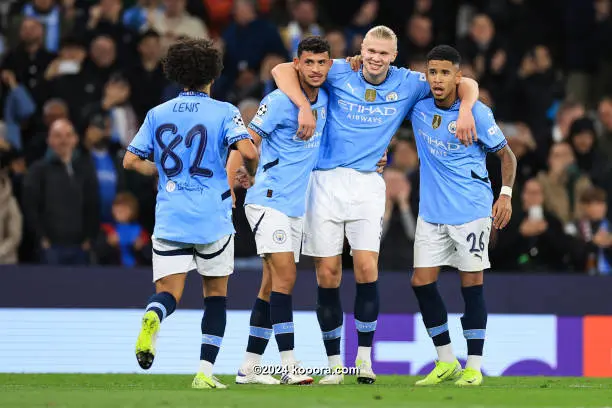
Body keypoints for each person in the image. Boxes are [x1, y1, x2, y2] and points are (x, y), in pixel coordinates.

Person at [270, 25, 480, 384]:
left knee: (367, 268)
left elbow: (467, 83)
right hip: (323, 181)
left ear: (393, 57)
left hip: (367, 183)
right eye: (370, 51)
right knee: (328, 274)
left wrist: (467, 111)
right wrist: (304, 107)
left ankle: (364, 360)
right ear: (360, 50)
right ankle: (336, 365)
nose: (375, 59)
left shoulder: (410, 82)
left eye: (383, 53)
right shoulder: (339, 69)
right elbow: (281, 70)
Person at [123, 38, 259, 389]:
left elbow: (130, 160)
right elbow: (248, 149)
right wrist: (251, 172)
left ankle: (153, 315)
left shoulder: (158, 113)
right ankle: (204, 372)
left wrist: (158, 170)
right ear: (213, 73)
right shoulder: (225, 111)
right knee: (215, 295)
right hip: (213, 216)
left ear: (176, 74)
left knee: (169, 292)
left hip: (170, 217)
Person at [408, 45, 517, 387]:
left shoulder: (478, 113)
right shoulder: (418, 105)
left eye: (445, 73)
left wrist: (506, 195)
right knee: (421, 282)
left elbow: (508, 157)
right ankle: (445, 360)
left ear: (458, 76)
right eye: (432, 72)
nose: (438, 79)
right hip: (430, 213)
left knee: (471, 285)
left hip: (470, 211)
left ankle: (474, 366)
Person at [228, 36, 331, 386]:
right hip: (267, 199)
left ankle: (248, 367)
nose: (315, 69)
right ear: (297, 64)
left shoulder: (328, 98)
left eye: (322, 63)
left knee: (271, 284)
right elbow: (247, 140)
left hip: (294, 206)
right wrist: (241, 173)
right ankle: (289, 364)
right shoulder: (277, 101)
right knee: (286, 277)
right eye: (309, 63)